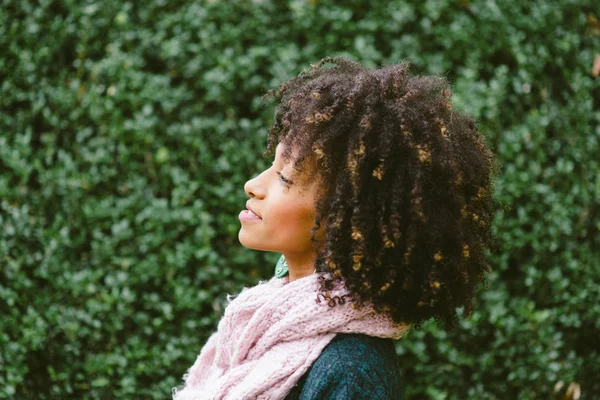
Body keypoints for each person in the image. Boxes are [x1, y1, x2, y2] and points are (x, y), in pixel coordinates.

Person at [172, 56, 498, 400]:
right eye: (272, 164)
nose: (253, 185)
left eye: (285, 176)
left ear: (349, 215)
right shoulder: (263, 324)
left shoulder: (351, 371)